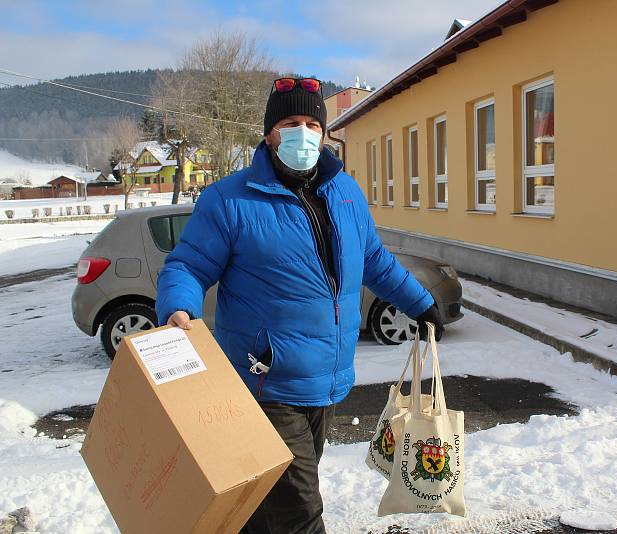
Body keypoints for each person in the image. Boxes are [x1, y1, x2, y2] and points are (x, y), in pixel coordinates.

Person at [155, 77, 444, 534]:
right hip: (266, 381)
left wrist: (421, 303)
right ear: (270, 132)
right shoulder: (229, 199)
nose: (303, 132)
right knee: (300, 512)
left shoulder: (345, 193)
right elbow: (188, 265)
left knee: (268, 498)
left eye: (313, 123)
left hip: (326, 380)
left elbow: (373, 261)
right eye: (291, 122)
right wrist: (179, 307)